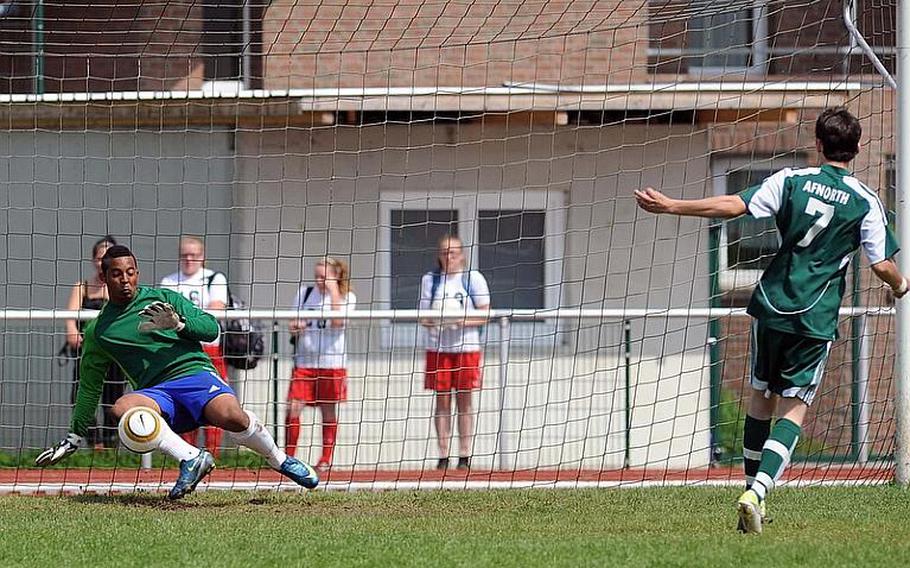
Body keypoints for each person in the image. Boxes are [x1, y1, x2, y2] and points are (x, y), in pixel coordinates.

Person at [634, 107, 906, 534]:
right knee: (794, 409)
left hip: (769, 304)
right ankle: (757, 492)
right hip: (813, 316)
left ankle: (748, 492)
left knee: (760, 398)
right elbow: (882, 266)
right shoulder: (865, 201)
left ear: (818, 144)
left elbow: (733, 205)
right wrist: (902, 285)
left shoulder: (791, 180)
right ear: (856, 150)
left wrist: (672, 206)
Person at [37, 245, 319, 499]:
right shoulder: (99, 331)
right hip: (159, 393)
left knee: (231, 416)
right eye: (117, 274)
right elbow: (89, 386)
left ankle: (279, 460)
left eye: (131, 272)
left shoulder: (163, 297)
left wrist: (179, 324)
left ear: (138, 273)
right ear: (104, 277)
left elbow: (211, 328)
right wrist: (75, 436)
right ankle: (192, 458)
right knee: (124, 407)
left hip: (195, 374)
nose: (125, 280)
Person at [419, 235, 490, 471]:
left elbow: (485, 313)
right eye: (444, 253)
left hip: (466, 347)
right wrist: (437, 321)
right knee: (442, 400)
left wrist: (460, 320)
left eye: (453, 253)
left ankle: (464, 454)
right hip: (438, 348)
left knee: (465, 400)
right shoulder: (431, 280)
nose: (449, 257)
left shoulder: (473, 279)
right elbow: (422, 316)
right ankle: (442, 454)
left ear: (462, 255)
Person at [159, 236, 228, 458]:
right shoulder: (169, 282)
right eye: (185, 255)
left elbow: (213, 312)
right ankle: (188, 455)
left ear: (202, 256)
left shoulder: (214, 279)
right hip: (179, 351)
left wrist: (181, 320)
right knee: (184, 404)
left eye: (194, 255)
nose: (189, 259)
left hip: (209, 350)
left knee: (214, 403)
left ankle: (213, 454)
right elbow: (163, 316)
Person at [286, 257, 356, 470]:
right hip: (305, 361)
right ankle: (289, 457)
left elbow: (337, 322)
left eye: (324, 277)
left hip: (331, 362)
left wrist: (333, 290)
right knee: (293, 407)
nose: (319, 281)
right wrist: (296, 326)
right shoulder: (305, 294)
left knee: (328, 409)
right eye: (316, 276)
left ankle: (325, 458)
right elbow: (292, 323)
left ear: (336, 276)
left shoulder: (346, 297)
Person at [64, 236, 126, 448]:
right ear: (93, 260)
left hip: (115, 352)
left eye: (108, 258)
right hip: (88, 351)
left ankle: (111, 444)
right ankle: (94, 443)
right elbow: (70, 315)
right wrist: (72, 331)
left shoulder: (120, 285)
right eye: (100, 258)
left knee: (113, 398)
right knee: (81, 395)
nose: (103, 262)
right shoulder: (82, 286)